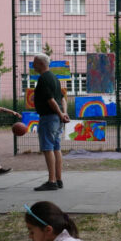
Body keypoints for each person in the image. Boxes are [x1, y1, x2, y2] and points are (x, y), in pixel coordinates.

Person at [32, 54, 70, 191]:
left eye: (35, 62)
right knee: (56, 148)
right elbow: (62, 99)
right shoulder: (55, 78)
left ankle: (52, 181)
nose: (32, 64)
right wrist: (63, 113)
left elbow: (51, 100)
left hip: (49, 117)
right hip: (57, 118)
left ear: (42, 64)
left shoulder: (43, 79)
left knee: (48, 148)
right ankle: (59, 179)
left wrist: (60, 114)